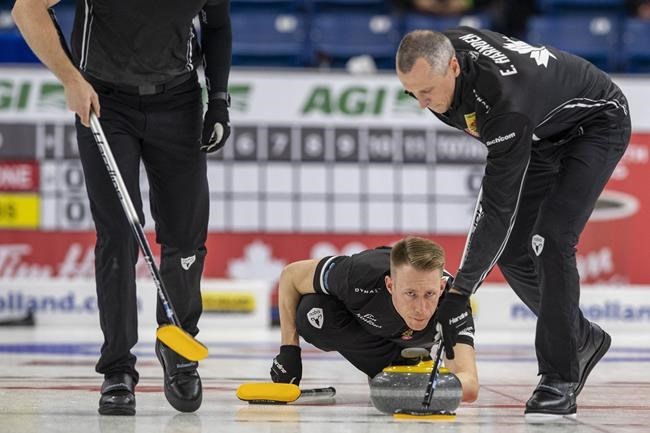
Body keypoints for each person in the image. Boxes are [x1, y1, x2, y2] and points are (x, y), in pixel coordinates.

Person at [395, 28, 629, 420]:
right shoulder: (441, 52)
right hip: (541, 131)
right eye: (411, 93)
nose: (423, 105)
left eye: (428, 92)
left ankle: (560, 378)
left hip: (596, 123)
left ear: (453, 66)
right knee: (513, 251)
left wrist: (460, 292)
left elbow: (496, 208)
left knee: (550, 239)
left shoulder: (504, 104)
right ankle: (580, 338)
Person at [12, 0, 232, 415]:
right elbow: (27, 9)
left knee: (186, 238)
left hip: (179, 101)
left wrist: (218, 99)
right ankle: (117, 368)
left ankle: (177, 348)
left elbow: (218, 26)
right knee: (117, 236)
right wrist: (70, 79)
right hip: (105, 102)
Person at [269, 236, 479, 403]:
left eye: (430, 294)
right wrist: (289, 351)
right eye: (411, 294)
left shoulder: (453, 305)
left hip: (407, 346)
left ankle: (399, 363)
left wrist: (429, 387)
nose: (421, 309)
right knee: (312, 313)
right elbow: (291, 276)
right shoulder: (359, 274)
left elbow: (469, 384)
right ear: (390, 286)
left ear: (441, 287)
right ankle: (387, 364)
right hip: (359, 326)